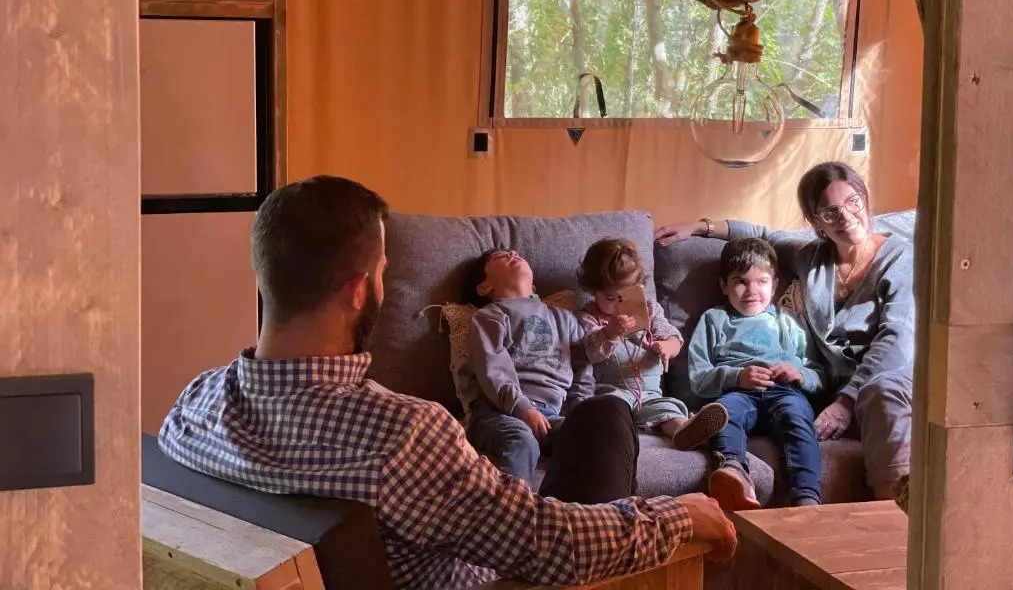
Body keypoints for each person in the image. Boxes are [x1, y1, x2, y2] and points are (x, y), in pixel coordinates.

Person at [158, 175, 737, 590]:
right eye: (383, 273)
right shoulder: (402, 434)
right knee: (609, 425)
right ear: (359, 291)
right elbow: (549, 544)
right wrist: (680, 515)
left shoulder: (192, 404)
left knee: (601, 414)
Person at [656, 161, 914, 500]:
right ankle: (731, 465)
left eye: (854, 201)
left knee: (880, 393)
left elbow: (897, 339)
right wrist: (700, 226)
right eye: (830, 211)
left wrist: (846, 402)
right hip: (823, 389)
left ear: (865, 199)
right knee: (750, 412)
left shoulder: (899, 258)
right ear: (816, 221)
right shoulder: (810, 257)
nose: (846, 216)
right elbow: (762, 235)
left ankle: (891, 516)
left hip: (884, 378)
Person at [689, 237, 827, 510]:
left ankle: (807, 497)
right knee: (724, 413)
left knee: (797, 418)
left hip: (785, 392)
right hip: (738, 392)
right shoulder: (714, 318)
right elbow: (698, 377)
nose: (751, 291)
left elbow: (819, 374)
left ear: (774, 285)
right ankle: (733, 472)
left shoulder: (787, 321)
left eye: (761, 281)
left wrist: (800, 374)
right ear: (723, 286)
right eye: (740, 281)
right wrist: (736, 377)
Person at [461, 247, 616, 483]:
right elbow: (492, 370)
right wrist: (523, 408)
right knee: (522, 440)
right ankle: (509, 505)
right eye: (500, 256)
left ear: (533, 287)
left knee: (592, 439)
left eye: (514, 252)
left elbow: (582, 368)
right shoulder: (490, 316)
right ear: (484, 287)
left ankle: (577, 504)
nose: (512, 253)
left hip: (551, 416)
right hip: (497, 413)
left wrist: (580, 412)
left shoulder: (564, 318)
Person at [575, 237, 728, 450]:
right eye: (610, 298)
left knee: (668, 410)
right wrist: (609, 333)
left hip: (649, 395)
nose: (619, 304)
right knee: (608, 413)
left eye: (627, 296)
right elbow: (590, 352)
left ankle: (687, 431)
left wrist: (667, 347)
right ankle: (619, 435)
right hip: (611, 393)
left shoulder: (650, 310)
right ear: (593, 291)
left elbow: (674, 337)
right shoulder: (588, 318)